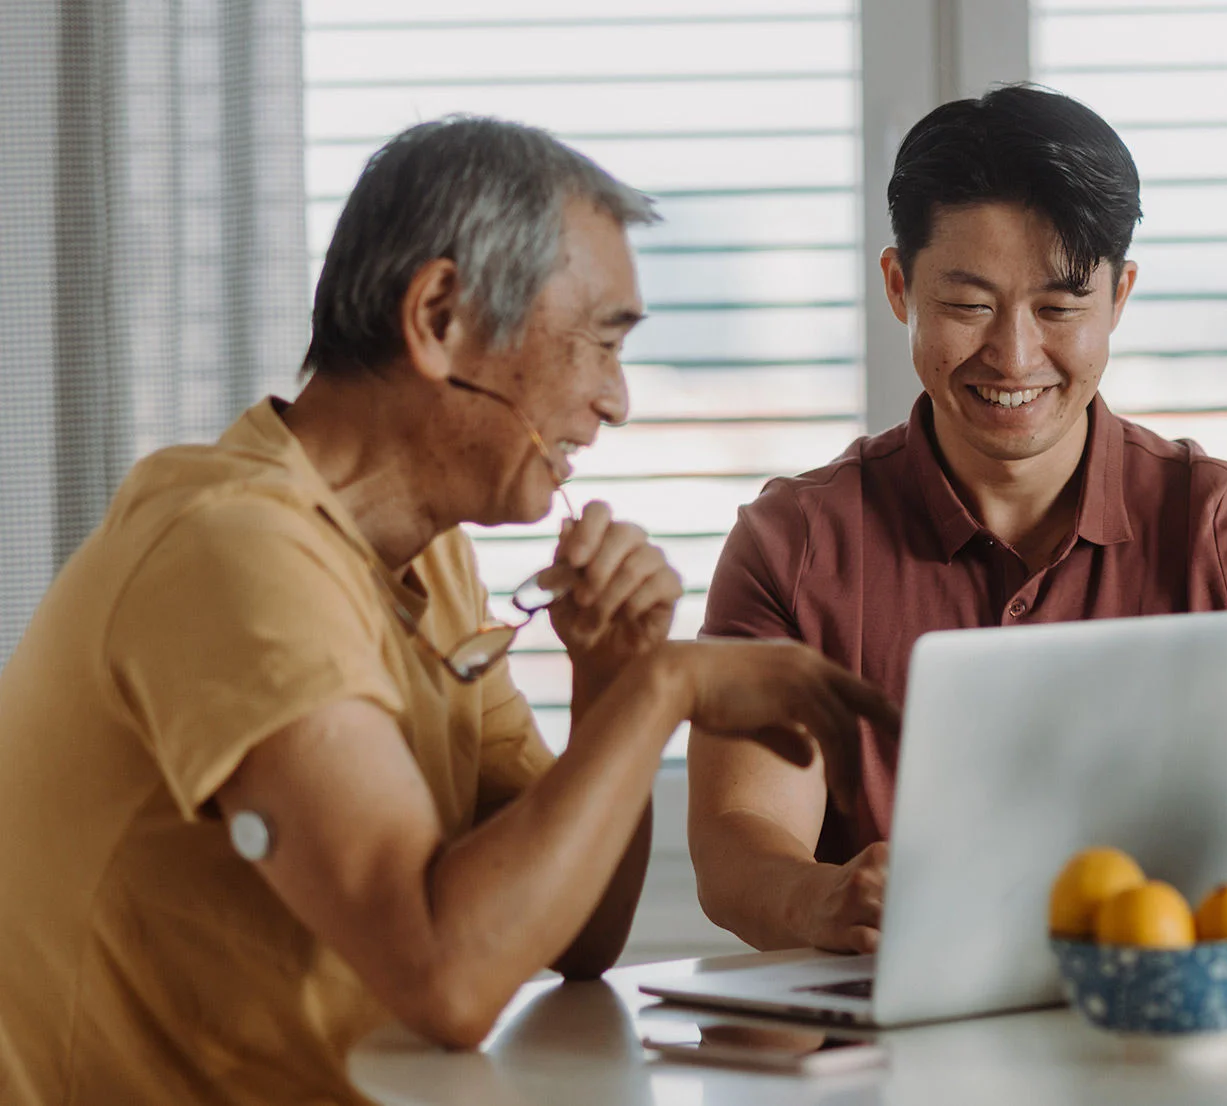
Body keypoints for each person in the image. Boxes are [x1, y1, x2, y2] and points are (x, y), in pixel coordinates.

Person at [0, 118, 897, 1106]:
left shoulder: (435, 561)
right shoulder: (233, 549)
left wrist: (607, 677)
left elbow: (578, 934)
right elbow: (448, 978)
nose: (617, 399)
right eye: (600, 341)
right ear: (437, 316)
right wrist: (666, 685)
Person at [687, 85, 1227, 957]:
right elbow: (741, 835)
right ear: (899, 287)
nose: (1014, 355)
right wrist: (822, 899)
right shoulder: (795, 545)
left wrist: (1182, 912)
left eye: (1060, 307)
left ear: (1120, 297)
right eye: (968, 305)